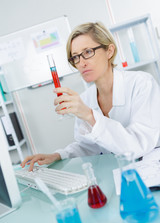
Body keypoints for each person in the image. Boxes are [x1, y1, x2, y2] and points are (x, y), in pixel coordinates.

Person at [21, 22, 160, 171]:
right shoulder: (86, 98)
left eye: (87, 52)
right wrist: (58, 155)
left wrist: (89, 115)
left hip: (151, 170)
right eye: (75, 57)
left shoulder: (142, 83)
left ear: (109, 51)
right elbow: (88, 146)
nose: (81, 63)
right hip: (116, 172)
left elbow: (138, 145)